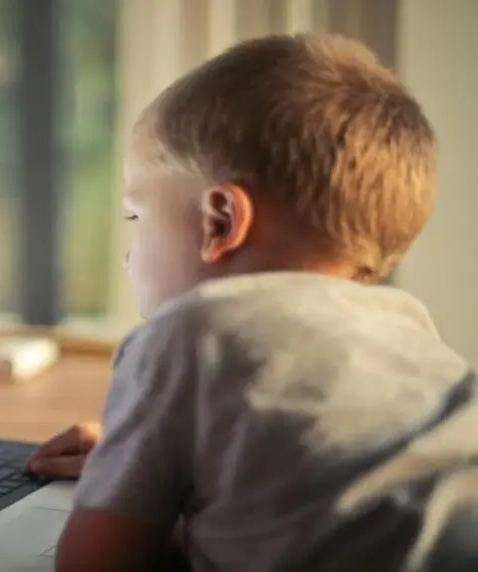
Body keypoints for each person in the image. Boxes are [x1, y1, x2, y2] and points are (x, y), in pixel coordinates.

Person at [25, 34, 476, 571]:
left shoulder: (190, 334)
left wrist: (132, 490)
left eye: (135, 217)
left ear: (220, 222)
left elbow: (92, 565)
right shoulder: (409, 328)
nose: (127, 254)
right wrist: (160, 462)